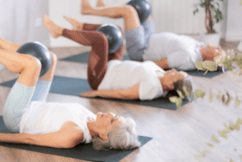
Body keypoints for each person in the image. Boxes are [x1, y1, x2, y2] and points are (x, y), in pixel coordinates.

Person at [0, 19, 140, 150]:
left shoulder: (74, 135)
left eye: (111, 120)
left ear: (103, 135)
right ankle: (0, 43)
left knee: (33, 65)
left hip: (18, 117)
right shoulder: (90, 118)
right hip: (36, 104)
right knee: (51, 58)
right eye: (115, 115)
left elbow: (30, 139)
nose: (110, 113)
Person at [43, 15, 193, 101]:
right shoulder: (160, 73)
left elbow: (124, 94)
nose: (173, 70)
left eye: (176, 74)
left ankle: (59, 32)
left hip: (100, 78)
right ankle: (81, 26)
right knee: (118, 32)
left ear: (172, 86)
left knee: (101, 40)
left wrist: (96, 93)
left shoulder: (152, 89)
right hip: (113, 64)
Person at [80, 0, 224, 71]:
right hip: (150, 38)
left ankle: (88, 10)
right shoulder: (199, 46)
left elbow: (161, 65)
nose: (218, 48)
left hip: (141, 49)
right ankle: (104, 9)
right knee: (144, 6)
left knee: (129, 11)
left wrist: (134, 65)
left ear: (210, 58)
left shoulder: (188, 56)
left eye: (218, 52)